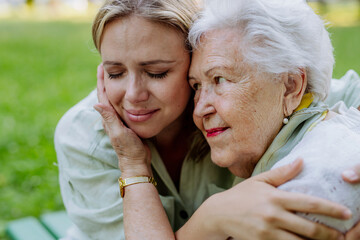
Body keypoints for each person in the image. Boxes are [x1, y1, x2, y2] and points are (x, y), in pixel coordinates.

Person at [54, 0, 360, 239]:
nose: (133, 94)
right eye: (115, 73)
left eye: (157, 72)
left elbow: (325, 86)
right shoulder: (84, 136)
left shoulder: (240, 99)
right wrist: (212, 217)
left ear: (195, 56)